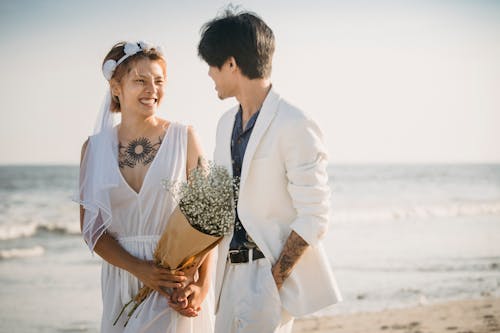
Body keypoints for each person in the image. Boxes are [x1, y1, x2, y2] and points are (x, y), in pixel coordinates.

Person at [196, 9, 343, 333]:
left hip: (265, 275)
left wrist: (272, 281)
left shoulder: (295, 123)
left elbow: (315, 215)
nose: (209, 74)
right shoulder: (224, 126)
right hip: (226, 278)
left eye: (212, 64)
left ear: (231, 64)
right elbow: (221, 204)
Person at [77, 41, 214, 332]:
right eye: (140, 81)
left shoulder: (185, 138)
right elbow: (92, 230)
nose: (153, 89)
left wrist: (201, 284)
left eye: (159, 81)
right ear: (116, 87)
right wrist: (139, 270)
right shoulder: (93, 149)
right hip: (121, 278)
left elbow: (209, 220)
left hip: (175, 278)